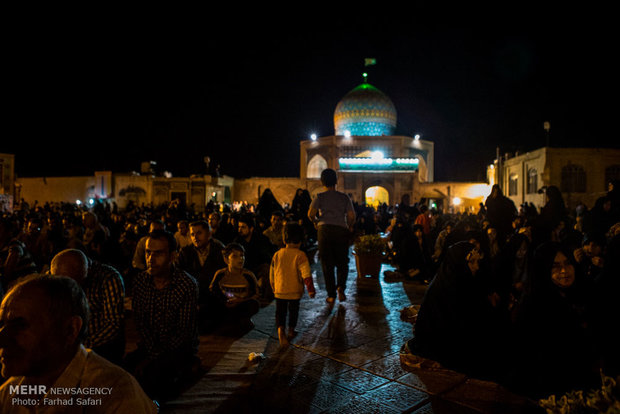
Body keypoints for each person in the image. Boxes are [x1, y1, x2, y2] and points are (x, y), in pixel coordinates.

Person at [0, 274, 157, 412]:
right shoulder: (11, 391)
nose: (2, 338)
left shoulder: (115, 394)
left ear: (70, 330)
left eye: (20, 326)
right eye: (2, 325)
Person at [509, 242, 599, 398]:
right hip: (552, 390)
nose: (564, 270)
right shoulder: (534, 305)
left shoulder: (582, 293)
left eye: (567, 263)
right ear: (543, 270)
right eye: (555, 266)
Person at [126, 229, 200, 402]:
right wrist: (150, 354)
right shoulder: (140, 282)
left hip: (177, 348)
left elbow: (183, 333)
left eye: (158, 253)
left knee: (155, 381)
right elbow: (141, 324)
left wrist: (153, 358)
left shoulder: (186, 284)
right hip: (149, 344)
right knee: (122, 372)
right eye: (148, 253)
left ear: (173, 256)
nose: (151, 259)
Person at [50, 248, 126, 365]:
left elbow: (113, 324)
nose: (73, 289)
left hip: (101, 345)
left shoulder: (108, 278)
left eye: (78, 282)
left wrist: (83, 346)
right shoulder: (55, 279)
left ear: (87, 271)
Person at [307, 168, 355, 303]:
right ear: (336, 181)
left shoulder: (320, 197)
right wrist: (349, 226)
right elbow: (352, 216)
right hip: (341, 230)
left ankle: (331, 295)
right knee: (342, 262)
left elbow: (310, 214)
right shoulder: (344, 197)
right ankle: (341, 287)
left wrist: (316, 222)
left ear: (322, 181)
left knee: (327, 264)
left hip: (324, 230)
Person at [269, 222, 316, 347]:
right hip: (294, 291)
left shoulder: (277, 254)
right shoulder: (300, 255)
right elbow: (306, 274)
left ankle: (280, 332)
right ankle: (290, 331)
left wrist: (273, 286)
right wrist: (310, 289)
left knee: (280, 312)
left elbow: (272, 273)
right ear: (301, 239)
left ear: (284, 238)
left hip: (280, 290)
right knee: (293, 311)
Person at [176, 220, 226, 329]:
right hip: (193, 295)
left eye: (199, 233)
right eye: (192, 234)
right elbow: (178, 275)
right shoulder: (185, 252)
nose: (195, 237)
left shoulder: (219, 250)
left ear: (209, 234)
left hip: (214, 295)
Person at [209, 243, 260, 333]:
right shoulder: (221, 274)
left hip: (241, 305)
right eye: (235, 256)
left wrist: (240, 300)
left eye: (242, 256)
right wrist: (225, 301)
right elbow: (213, 290)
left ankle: (236, 323)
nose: (240, 259)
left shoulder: (248, 275)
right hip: (225, 305)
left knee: (254, 304)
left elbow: (255, 294)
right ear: (226, 259)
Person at [234, 214, 273, 300]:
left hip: (257, 268)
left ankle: (265, 299)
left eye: (243, 227)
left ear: (251, 228)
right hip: (242, 269)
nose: (240, 230)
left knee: (267, 269)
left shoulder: (261, 239)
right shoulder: (237, 241)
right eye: (239, 227)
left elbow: (266, 257)